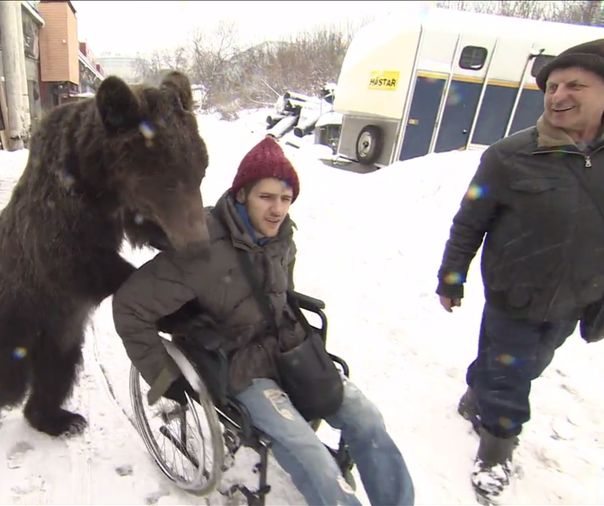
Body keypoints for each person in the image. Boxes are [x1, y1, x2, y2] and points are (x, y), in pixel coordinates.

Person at [112, 136, 414, 506]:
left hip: (290, 350)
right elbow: (130, 306)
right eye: (266, 197)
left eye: (285, 199)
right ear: (241, 195)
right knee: (309, 452)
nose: (277, 210)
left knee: (366, 419)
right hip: (239, 365)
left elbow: (281, 296)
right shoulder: (200, 248)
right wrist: (164, 379)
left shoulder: (283, 238)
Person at [435, 39, 604, 502]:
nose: (558, 96)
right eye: (552, 86)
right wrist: (452, 276)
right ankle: (497, 445)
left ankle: (479, 391)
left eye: (576, 85)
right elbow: (470, 220)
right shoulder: (508, 156)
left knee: (528, 365)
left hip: (576, 298)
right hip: (513, 294)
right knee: (510, 377)